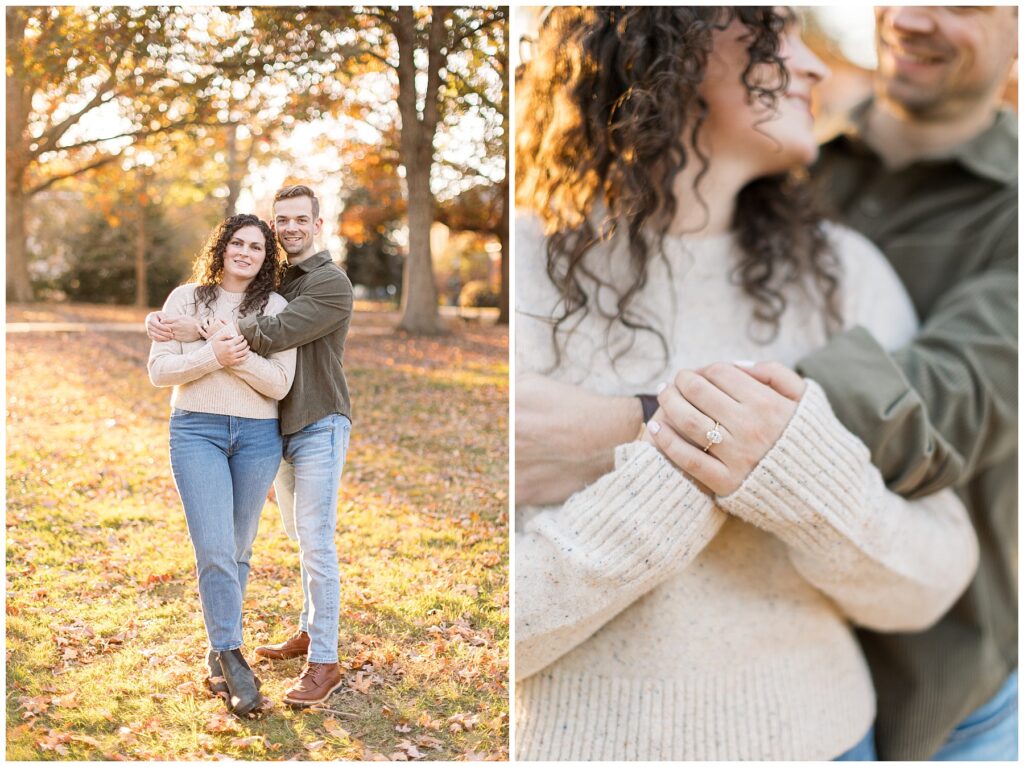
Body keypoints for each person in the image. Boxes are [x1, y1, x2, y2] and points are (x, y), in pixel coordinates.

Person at [517, 5, 1018, 760]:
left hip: (899, 713)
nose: (812, 65)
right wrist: (738, 456)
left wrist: (662, 432)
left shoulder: (841, 268)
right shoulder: (528, 267)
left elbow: (956, 409)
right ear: (666, 40)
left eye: (966, 2)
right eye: (774, 31)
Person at [147, 185, 354, 708]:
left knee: (306, 539)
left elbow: (276, 346)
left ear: (318, 224)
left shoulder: (325, 285)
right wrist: (191, 333)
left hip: (313, 421)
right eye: (279, 220)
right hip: (255, 429)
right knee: (247, 543)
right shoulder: (266, 282)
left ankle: (321, 659)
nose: (287, 228)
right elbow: (164, 363)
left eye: (299, 220)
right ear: (223, 247)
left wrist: (206, 335)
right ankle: (239, 647)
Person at [148, 213, 296, 716]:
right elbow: (160, 370)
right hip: (197, 431)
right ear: (222, 246)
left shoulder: (276, 306)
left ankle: (218, 654)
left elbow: (279, 383)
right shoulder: (185, 299)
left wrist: (236, 358)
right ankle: (234, 658)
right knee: (213, 547)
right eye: (238, 243)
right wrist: (213, 354)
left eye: (257, 247)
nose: (246, 253)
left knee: (237, 548)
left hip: (258, 436)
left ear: (266, 258)